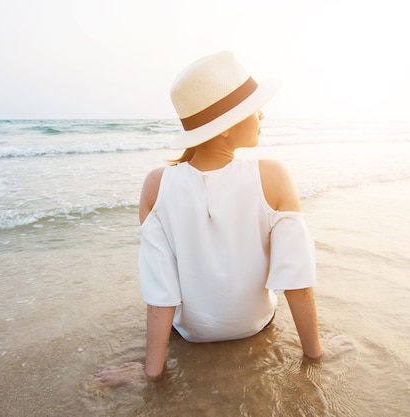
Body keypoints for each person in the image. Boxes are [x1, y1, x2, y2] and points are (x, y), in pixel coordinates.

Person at [96, 51, 333, 384]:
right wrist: (315, 353)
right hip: (254, 325)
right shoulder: (273, 176)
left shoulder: (156, 185)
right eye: (253, 109)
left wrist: (151, 372)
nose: (262, 115)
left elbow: (160, 287)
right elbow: (296, 280)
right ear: (224, 128)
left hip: (190, 332)